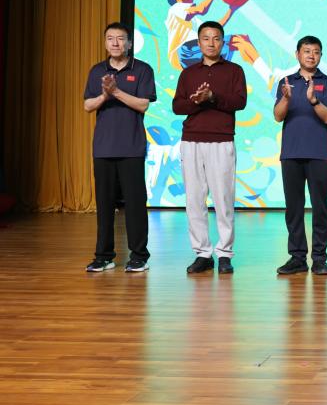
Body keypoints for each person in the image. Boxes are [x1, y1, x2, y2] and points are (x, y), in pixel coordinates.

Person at [172, 20, 247, 275]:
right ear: (199, 42)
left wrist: (213, 97)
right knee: (194, 199)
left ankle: (224, 253)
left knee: (223, 199)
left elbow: (240, 101)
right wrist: (197, 101)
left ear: (222, 42)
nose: (211, 43)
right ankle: (202, 253)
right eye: (206, 38)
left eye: (216, 38)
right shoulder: (188, 73)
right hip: (191, 140)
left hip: (222, 140)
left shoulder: (235, 70)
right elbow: (177, 106)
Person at [83, 22, 157, 272]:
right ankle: (104, 256)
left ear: (129, 43)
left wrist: (115, 92)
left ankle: (139, 256)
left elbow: (143, 104)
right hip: (103, 147)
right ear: (105, 42)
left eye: (120, 38)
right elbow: (87, 105)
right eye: (110, 38)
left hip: (131, 147)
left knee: (135, 204)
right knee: (104, 205)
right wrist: (105, 95)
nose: (115, 43)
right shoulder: (97, 70)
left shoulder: (142, 69)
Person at [274, 36, 327, 276]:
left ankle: (319, 258)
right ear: (297, 54)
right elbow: (278, 116)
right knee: (294, 207)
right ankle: (297, 257)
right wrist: (286, 98)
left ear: (321, 56)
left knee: (320, 207)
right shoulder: (286, 83)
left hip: (318, 153)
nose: (311, 55)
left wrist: (313, 100)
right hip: (291, 153)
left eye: (316, 52)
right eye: (307, 51)